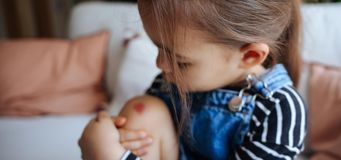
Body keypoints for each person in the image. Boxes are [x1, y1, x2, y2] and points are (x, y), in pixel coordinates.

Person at [79, 0, 307, 159]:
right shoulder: (167, 83)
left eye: (181, 61)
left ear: (249, 56)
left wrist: (108, 156)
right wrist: (116, 142)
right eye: (159, 49)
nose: (161, 65)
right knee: (143, 110)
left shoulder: (279, 109)